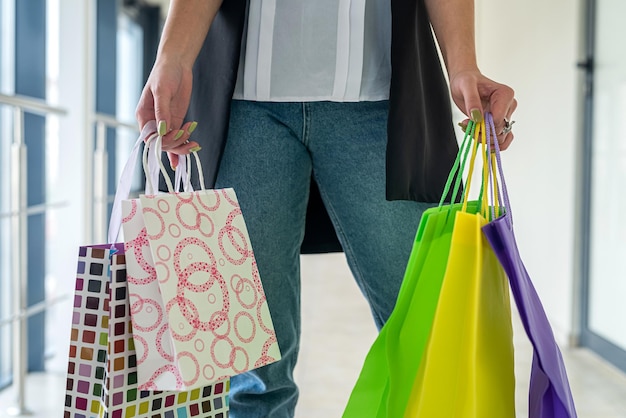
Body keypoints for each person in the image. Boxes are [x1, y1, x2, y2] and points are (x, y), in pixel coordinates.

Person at [136, 0, 518, 416]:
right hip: (246, 105)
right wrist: (171, 57)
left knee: (430, 332)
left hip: (381, 100)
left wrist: (463, 65)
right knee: (251, 369)